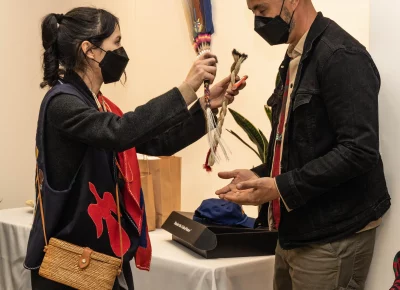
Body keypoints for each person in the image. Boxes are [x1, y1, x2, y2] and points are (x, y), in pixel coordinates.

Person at [24, 7, 246, 290]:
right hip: (72, 267)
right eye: (116, 42)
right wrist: (186, 88)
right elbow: (121, 132)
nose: (122, 51)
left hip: (100, 259)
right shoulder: (62, 103)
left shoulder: (97, 104)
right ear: (89, 50)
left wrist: (204, 106)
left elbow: (155, 142)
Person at [216, 0, 390, 289]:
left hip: (331, 237)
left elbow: (359, 150)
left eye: (262, 10)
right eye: (253, 13)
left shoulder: (341, 55)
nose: (258, 22)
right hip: (296, 231)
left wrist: (279, 187)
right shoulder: (294, 58)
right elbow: (300, 143)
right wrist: (261, 175)